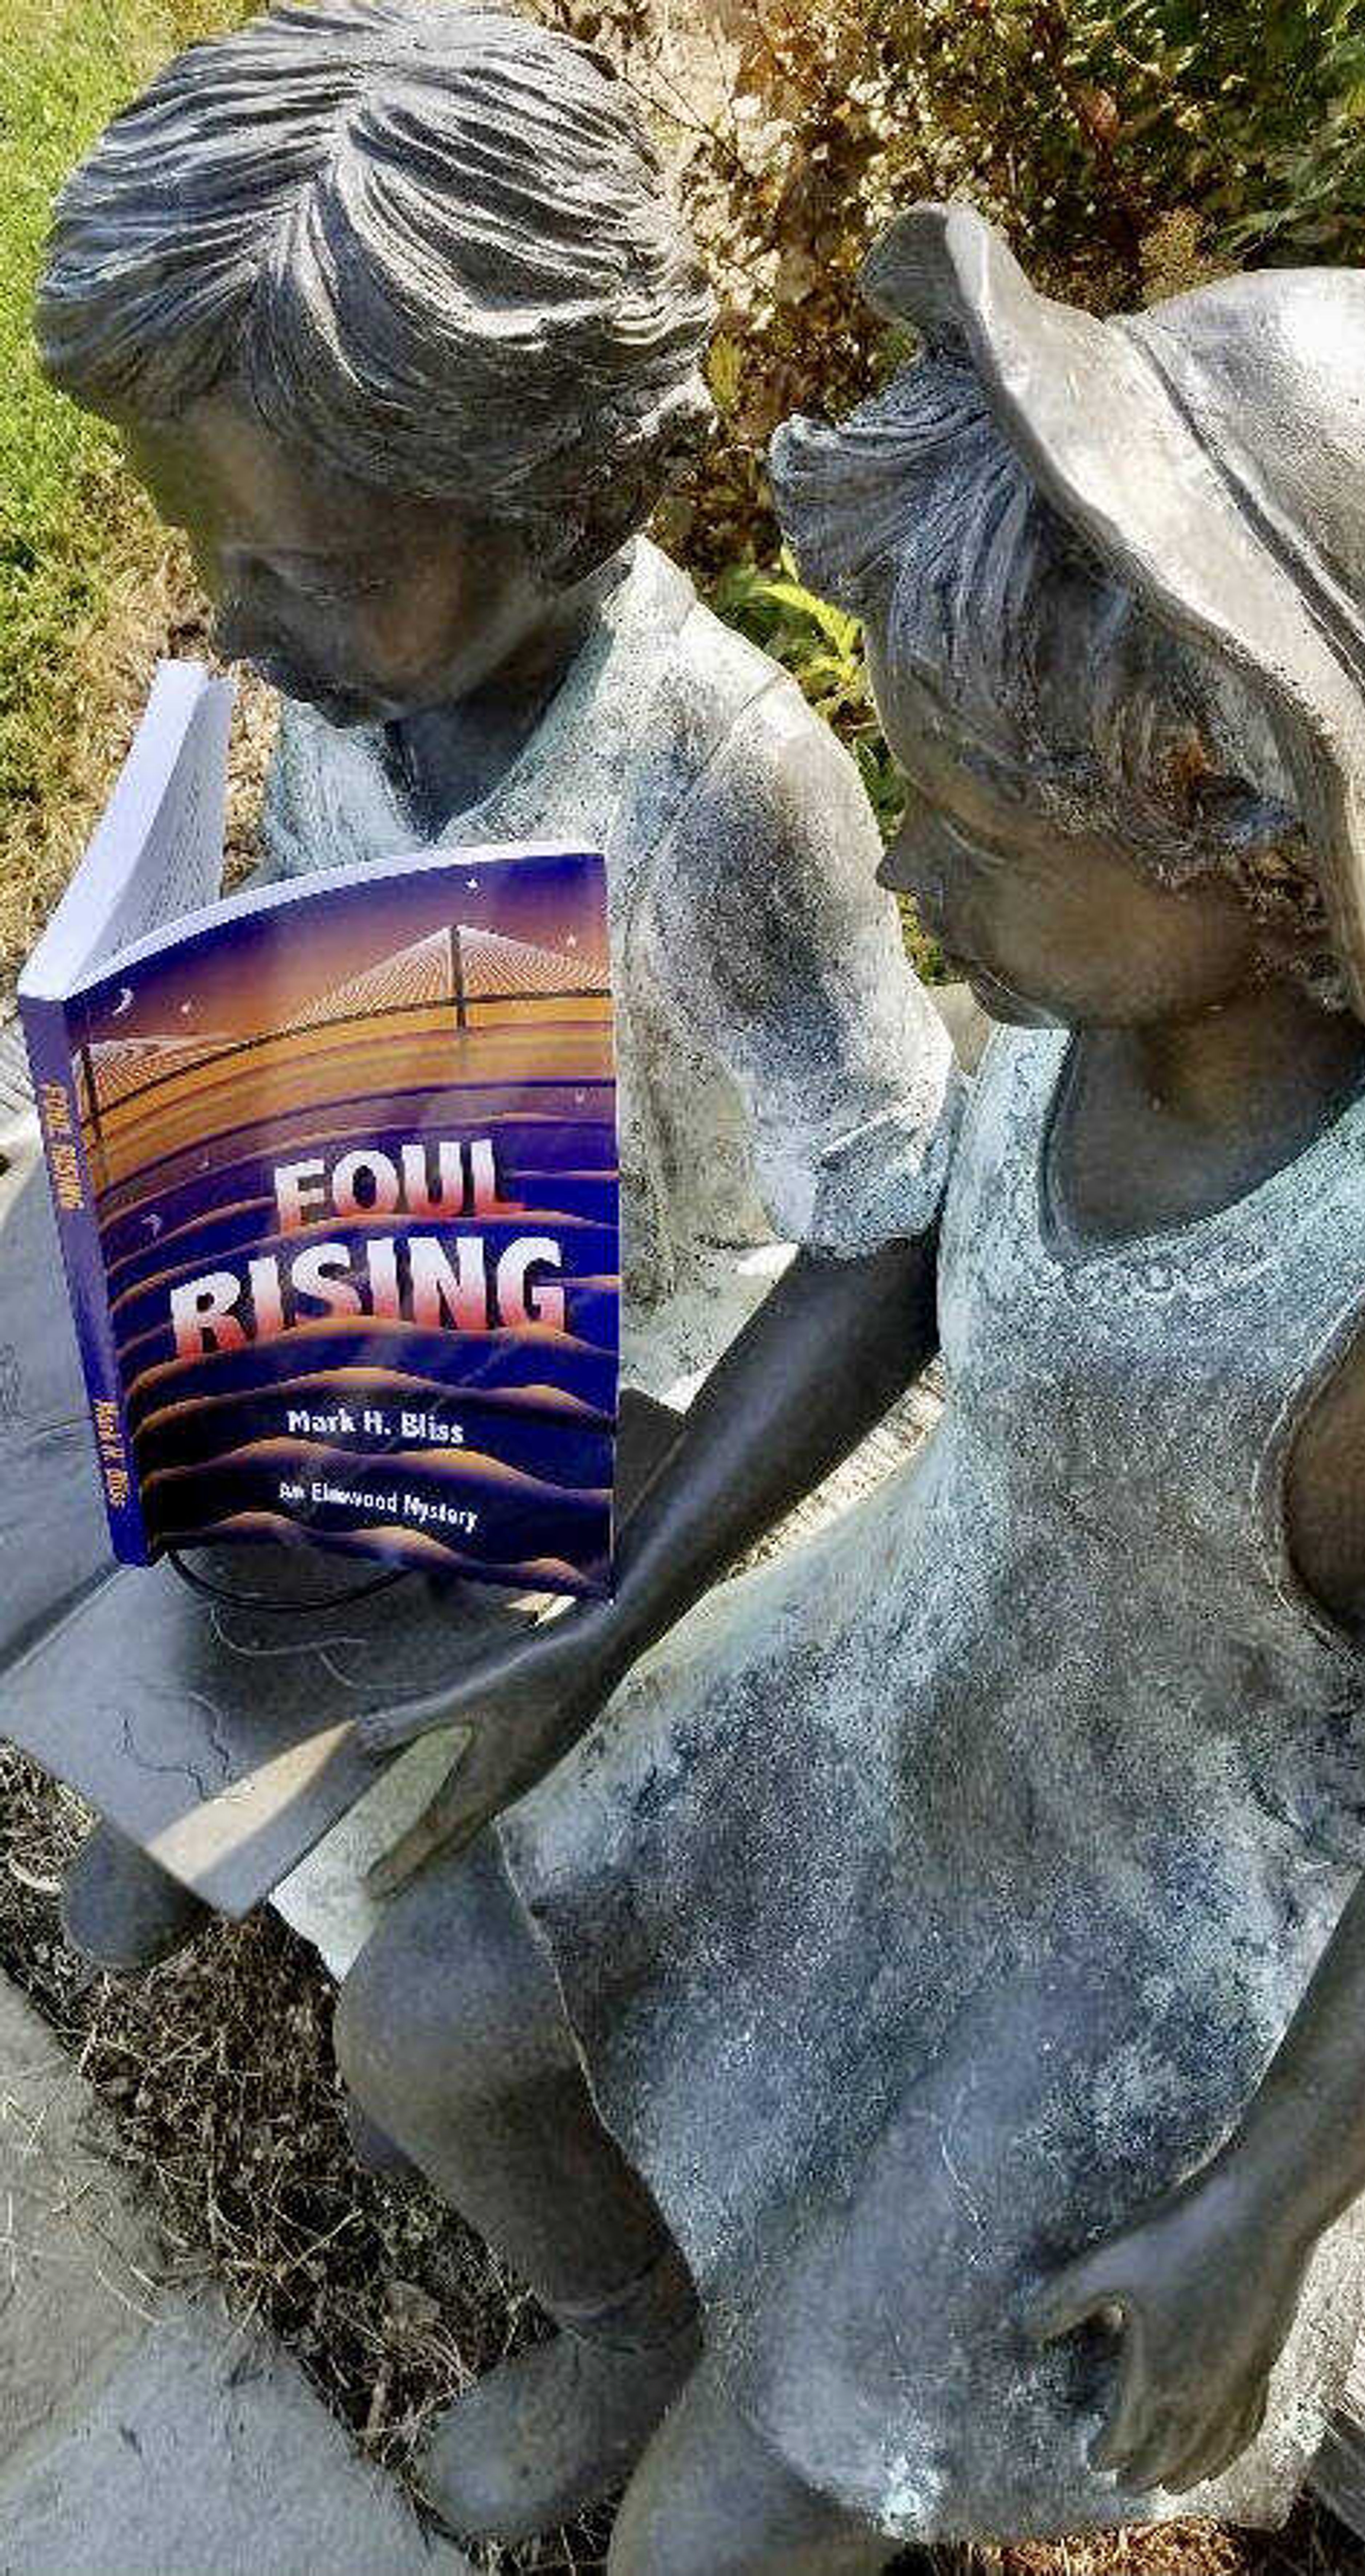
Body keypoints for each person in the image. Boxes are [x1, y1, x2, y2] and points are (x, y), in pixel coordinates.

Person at [332, 207, 1365, 2566]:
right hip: (904, 1677)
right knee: (422, 2025)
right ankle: (630, 2314)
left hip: (1166, 1909)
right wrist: (609, 1624)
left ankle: (758, 2407)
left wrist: (1267, 2211)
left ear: (1255, 827)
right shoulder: (1093, 992)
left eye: (981, 837)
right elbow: (914, 1253)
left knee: (709, 2551)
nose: (908, 872)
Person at [31, 0, 955, 1969]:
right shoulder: (369, 679)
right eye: (219, 563)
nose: (242, 634)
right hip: (361, 1266)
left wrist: (632, 1582)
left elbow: (892, 1223)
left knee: (440, 1946)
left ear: (572, 505)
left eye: (302, 573)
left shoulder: (720, 786)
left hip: (604, 1378)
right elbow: (312, 945)